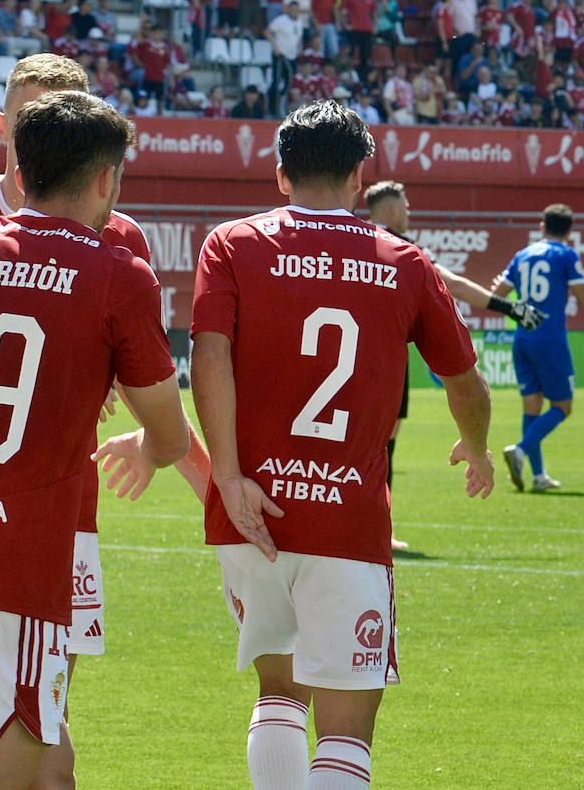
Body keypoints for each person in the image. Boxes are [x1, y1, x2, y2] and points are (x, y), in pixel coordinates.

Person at [0, 53, 210, 788]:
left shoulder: (118, 240)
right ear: (4, 125)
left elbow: (149, 391)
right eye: (33, 113)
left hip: (56, 515)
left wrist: (208, 485)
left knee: (41, 726)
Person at [190, 100, 495, 790]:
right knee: (347, 727)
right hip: (347, 518)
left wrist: (229, 477)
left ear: (279, 175)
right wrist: (474, 446)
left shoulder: (233, 242)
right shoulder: (404, 261)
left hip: (249, 510)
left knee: (276, 693)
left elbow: (207, 355)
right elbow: (466, 384)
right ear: (361, 176)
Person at [364, 179, 543, 533]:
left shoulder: (352, 238)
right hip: (385, 360)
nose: (409, 212)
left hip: (348, 356)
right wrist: (508, 307)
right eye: (407, 205)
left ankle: (362, 526)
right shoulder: (399, 246)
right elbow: (451, 284)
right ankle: (376, 528)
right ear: (393, 209)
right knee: (385, 445)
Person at [492, 204, 584, 492]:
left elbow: (496, 296)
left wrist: (517, 307)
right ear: (569, 231)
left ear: (542, 225)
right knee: (562, 406)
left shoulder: (522, 255)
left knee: (531, 407)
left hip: (523, 337)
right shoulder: (566, 255)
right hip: (550, 337)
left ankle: (538, 476)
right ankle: (520, 450)